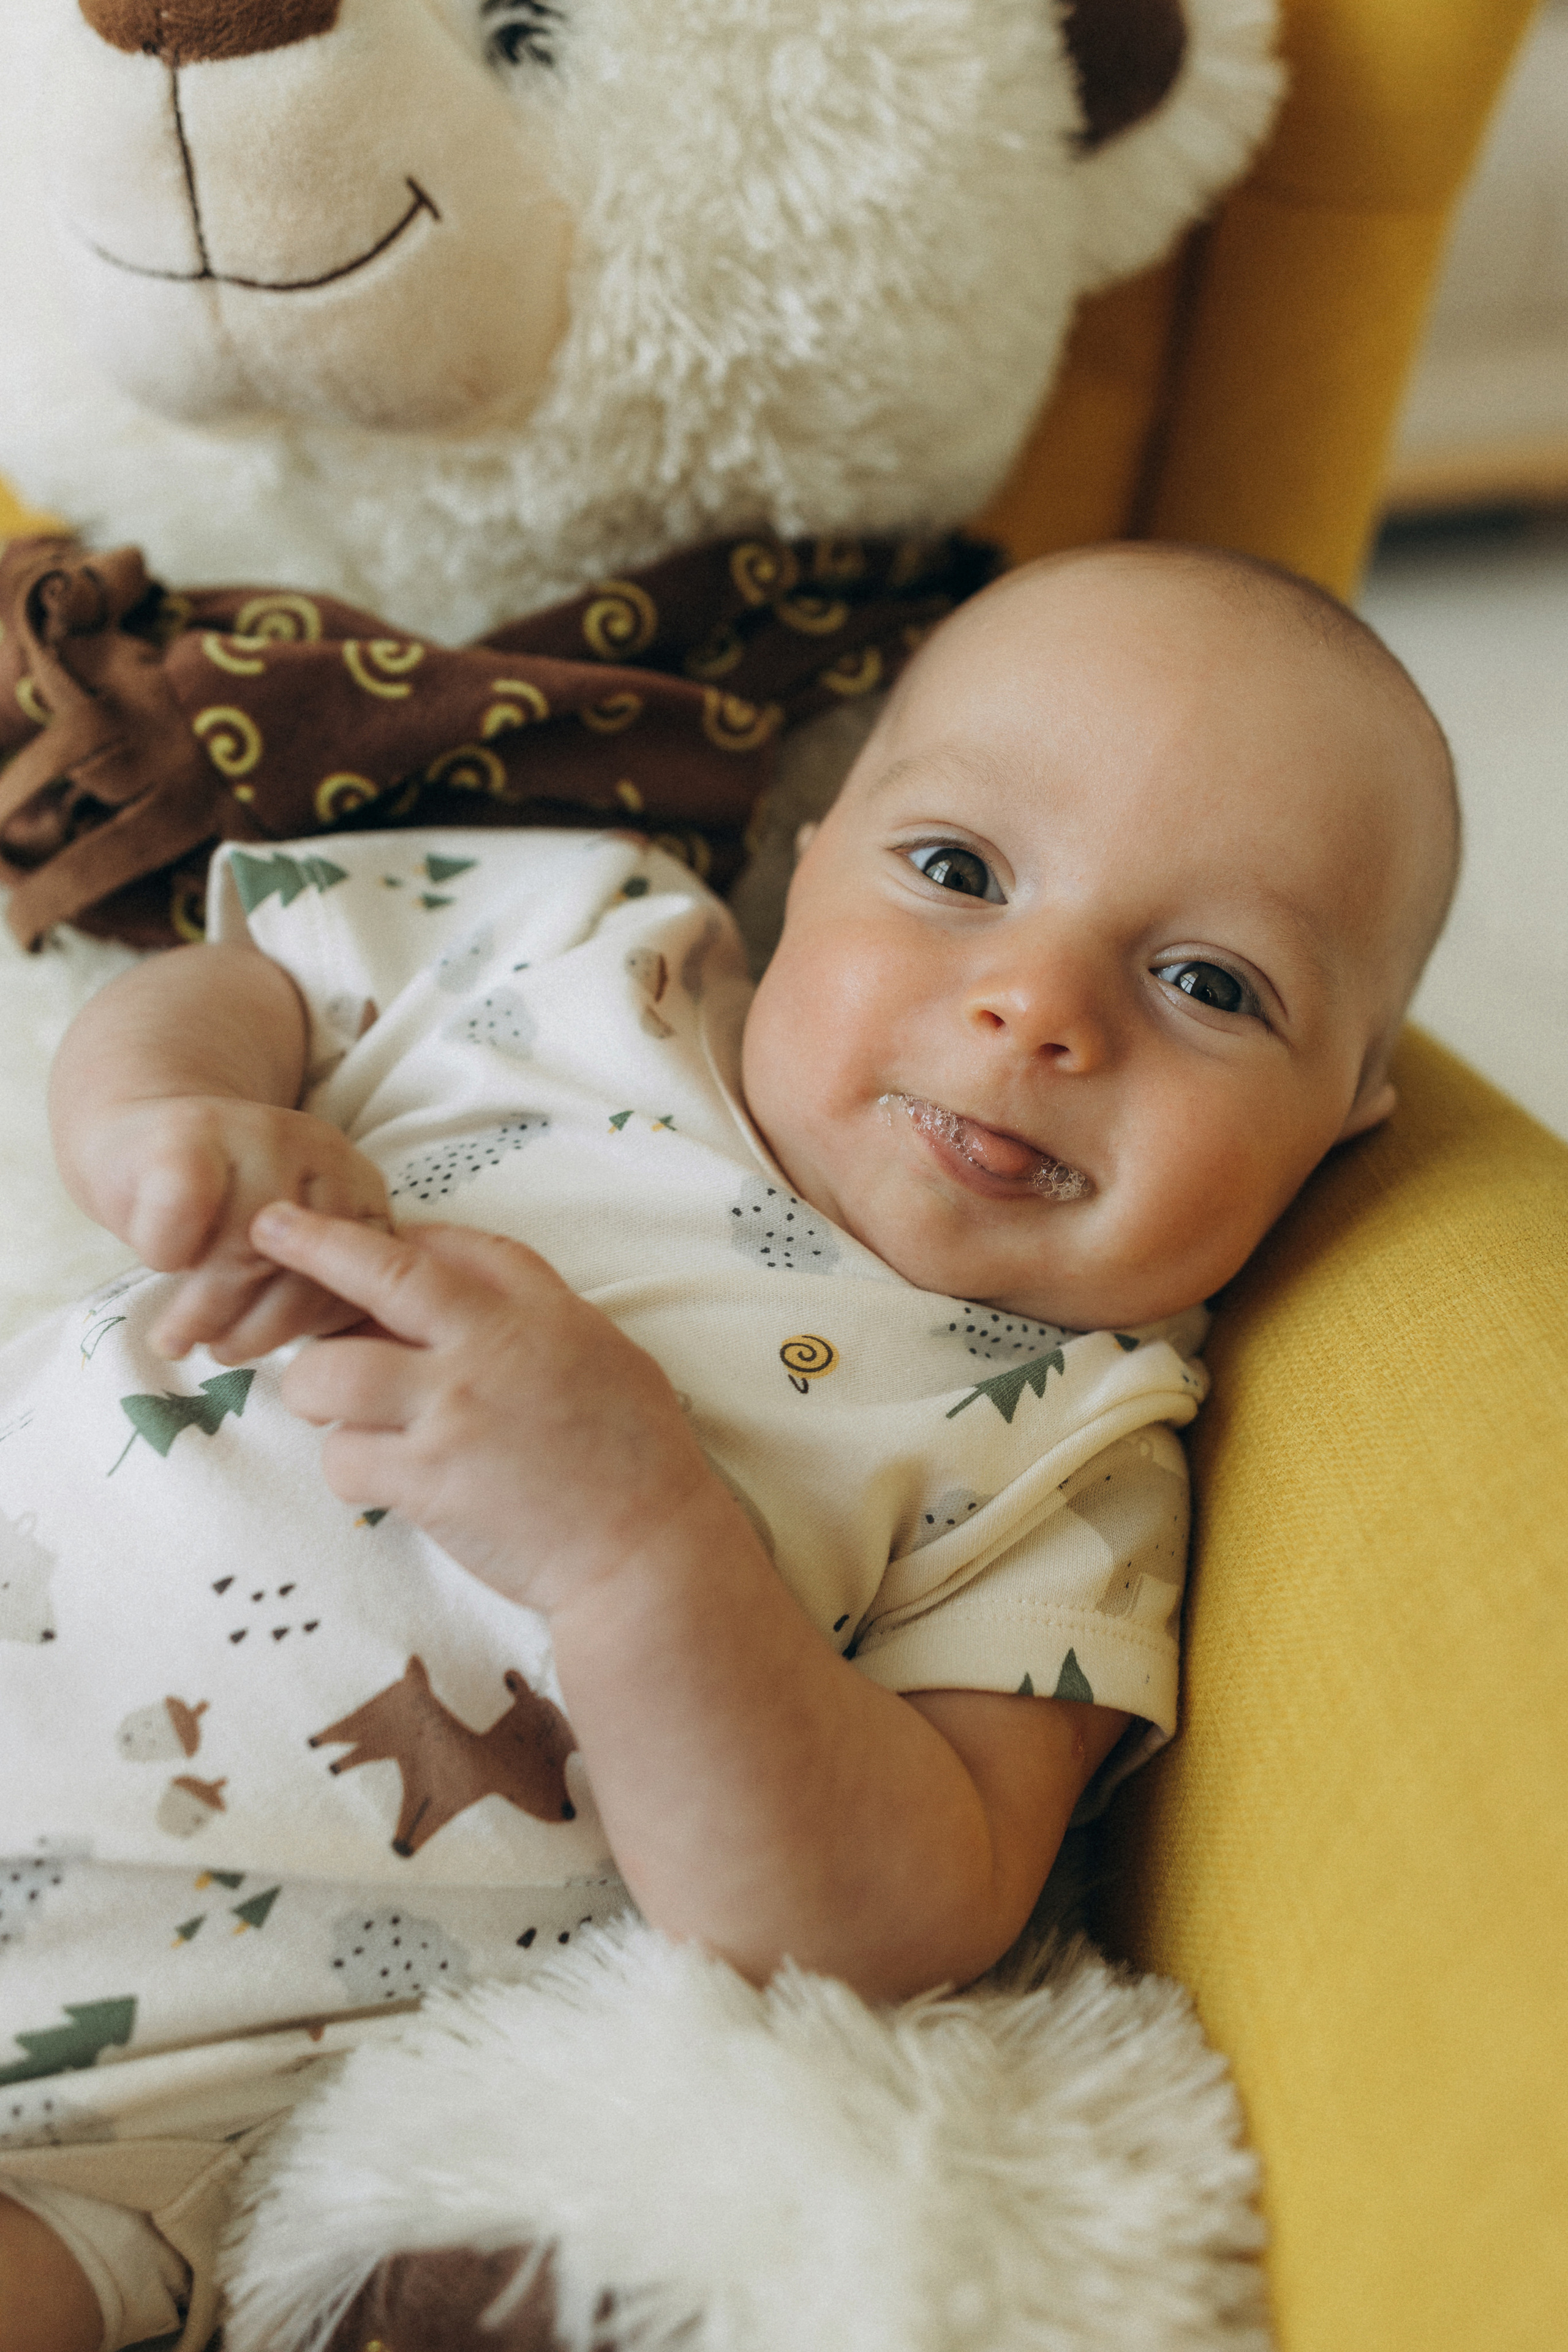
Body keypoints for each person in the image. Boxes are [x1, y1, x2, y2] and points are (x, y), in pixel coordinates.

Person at [0, 545, 1457, 2352]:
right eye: (957, 873)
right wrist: (170, 1122)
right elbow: (243, 977)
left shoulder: (1076, 1448)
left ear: (1355, 1112)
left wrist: (638, 1545)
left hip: (139, 2085)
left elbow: (905, 1909)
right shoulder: (578, 941)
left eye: (1213, 986)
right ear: (811, 846)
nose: (1042, 1006)